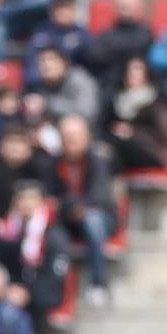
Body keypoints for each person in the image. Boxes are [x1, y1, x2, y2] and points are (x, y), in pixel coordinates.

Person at [52, 114, 119, 305]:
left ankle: (98, 283)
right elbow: (50, 194)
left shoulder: (98, 160)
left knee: (93, 221)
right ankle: (57, 294)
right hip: (66, 217)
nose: (70, 141)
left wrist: (75, 206)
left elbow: (99, 195)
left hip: (100, 216)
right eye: (66, 136)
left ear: (86, 137)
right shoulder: (53, 162)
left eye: (75, 136)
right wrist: (72, 207)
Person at [0, 180, 70, 329]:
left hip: (41, 294)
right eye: (21, 198)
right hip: (10, 289)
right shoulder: (7, 231)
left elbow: (55, 273)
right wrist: (6, 287)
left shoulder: (53, 234)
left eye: (31, 198)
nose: (26, 203)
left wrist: (28, 293)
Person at [107, 56, 167, 172]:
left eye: (138, 72)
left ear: (146, 75)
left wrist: (132, 132)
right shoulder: (117, 101)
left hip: (150, 150)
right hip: (124, 151)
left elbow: (163, 134)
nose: (134, 76)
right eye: (130, 72)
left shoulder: (155, 101)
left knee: (118, 145)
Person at [85, 0, 153, 91]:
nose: (125, 7)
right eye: (121, 3)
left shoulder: (147, 33)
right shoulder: (106, 33)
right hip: (110, 90)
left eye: (129, 4)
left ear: (139, 5)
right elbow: (95, 55)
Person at [23, 0, 89, 87]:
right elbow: (32, 63)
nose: (64, 13)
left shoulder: (82, 35)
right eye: (60, 9)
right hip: (44, 85)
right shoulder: (42, 32)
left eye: (68, 9)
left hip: (72, 85)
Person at [32, 45, 101, 127]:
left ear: (65, 63)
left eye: (51, 59)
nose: (46, 65)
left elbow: (87, 112)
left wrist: (47, 104)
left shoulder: (79, 79)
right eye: (42, 60)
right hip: (54, 130)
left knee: (72, 125)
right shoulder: (38, 86)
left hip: (86, 131)